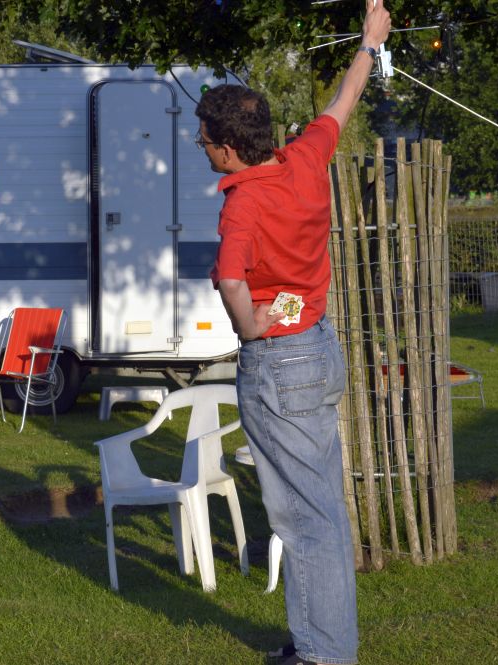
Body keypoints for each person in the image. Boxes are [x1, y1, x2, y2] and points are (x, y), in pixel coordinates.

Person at [194, 2, 391, 664]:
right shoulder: (304, 159)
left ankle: (325, 654)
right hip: (317, 349)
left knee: (304, 522)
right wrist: (370, 42)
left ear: (226, 145)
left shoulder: (242, 202)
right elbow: (346, 98)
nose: (200, 145)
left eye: (203, 137)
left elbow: (228, 281)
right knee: (324, 514)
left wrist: (250, 329)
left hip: (279, 364)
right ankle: (322, 642)